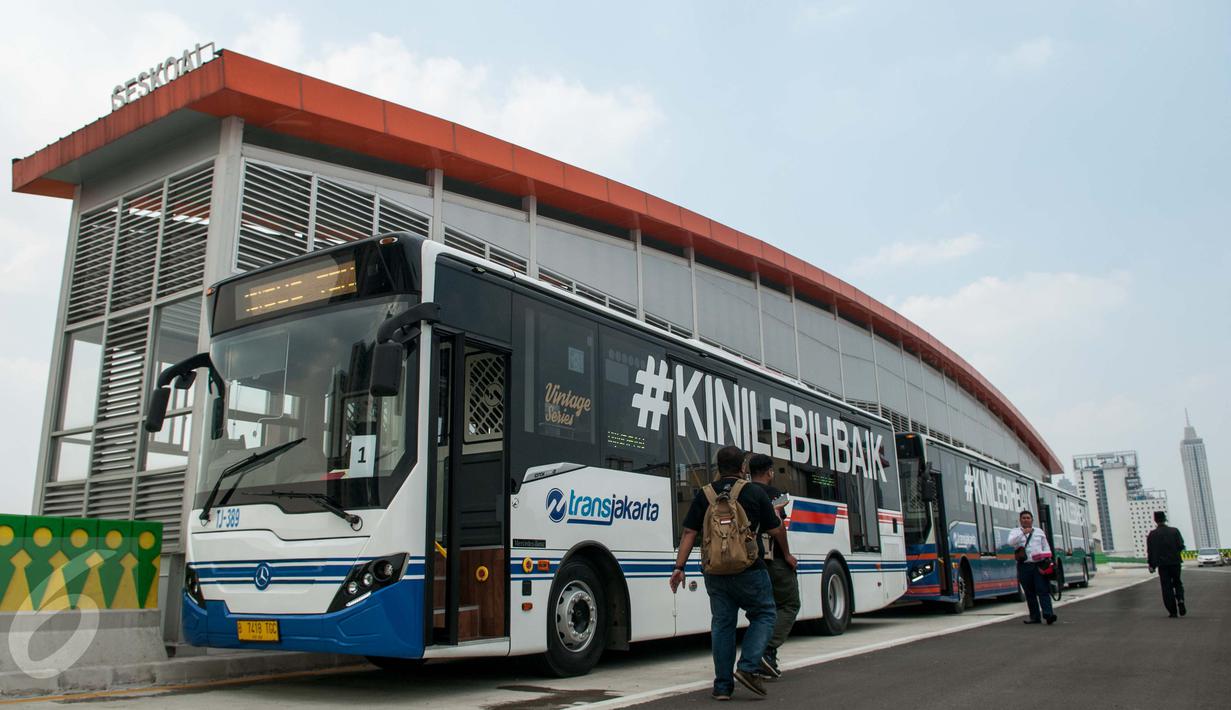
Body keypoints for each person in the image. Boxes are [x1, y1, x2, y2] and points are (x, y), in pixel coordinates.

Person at [669, 446, 798, 701]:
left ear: (718, 468)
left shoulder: (705, 494)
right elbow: (776, 529)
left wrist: (679, 567)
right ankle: (748, 666)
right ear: (743, 468)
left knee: (722, 625)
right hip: (750, 568)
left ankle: (722, 687)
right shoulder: (754, 492)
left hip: (715, 572)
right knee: (765, 614)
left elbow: (689, 533)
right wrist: (787, 553)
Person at [745, 453, 799, 679]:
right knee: (789, 604)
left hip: (750, 560)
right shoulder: (774, 494)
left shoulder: (744, 492)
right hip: (773, 559)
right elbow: (778, 526)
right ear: (769, 471)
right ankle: (765, 650)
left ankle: (766, 661)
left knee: (761, 610)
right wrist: (787, 554)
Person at [1008, 510, 1057, 625]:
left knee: (1042, 590)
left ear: (1032, 520)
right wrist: (1023, 533)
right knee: (1029, 592)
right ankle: (1035, 617)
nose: (1026, 520)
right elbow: (1010, 542)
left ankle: (1048, 614)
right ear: (1020, 520)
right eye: (1023, 518)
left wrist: (1045, 558)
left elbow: (1046, 547)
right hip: (1024, 566)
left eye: (1028, 518)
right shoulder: (1015, 532)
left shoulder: (1039, 532)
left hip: (1039, 565)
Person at [1146, 510, 1186, 617]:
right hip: (1175, 562)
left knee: (1166, 587)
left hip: (1162, 565)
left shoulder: (1152, 535)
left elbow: (1150, 551)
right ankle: (1180, 600)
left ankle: (1172, 611)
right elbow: (1181, 546)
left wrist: (1151, 565)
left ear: (1155, 520)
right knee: (1177, 582)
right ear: (1165, 519)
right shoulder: (1174, 531)